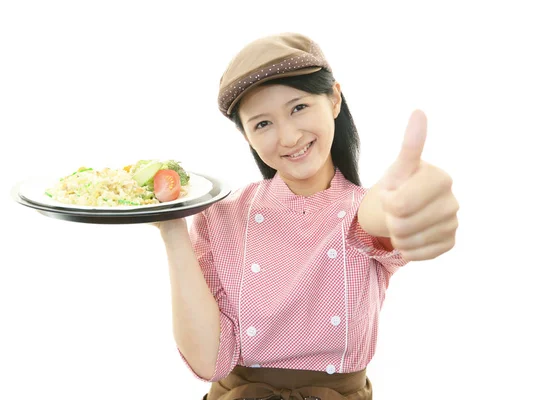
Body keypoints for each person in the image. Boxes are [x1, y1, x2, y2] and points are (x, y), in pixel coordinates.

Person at [157, 32, 459, 400]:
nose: (287, 136)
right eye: (262, 124)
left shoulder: (358, 212)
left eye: (298, 107)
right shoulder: (219, 216)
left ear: (333, 98)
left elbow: (375, 218)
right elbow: (208, 362)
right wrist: (171, 227)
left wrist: (405, 207)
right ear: (247, 137)